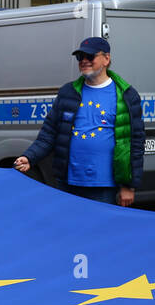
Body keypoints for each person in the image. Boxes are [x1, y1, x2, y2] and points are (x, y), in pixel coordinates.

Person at [14, 37, 143, 205]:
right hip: (68, 183)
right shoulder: (68, 92)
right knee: (68, 229)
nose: (84, 61)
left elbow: (136, 142)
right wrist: (29, 157)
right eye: (80, 57)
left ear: (106, 59)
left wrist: (129, 186)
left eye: (90, 56)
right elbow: (49, 134)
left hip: (104, 186)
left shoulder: (126, 95)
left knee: (98, 231)